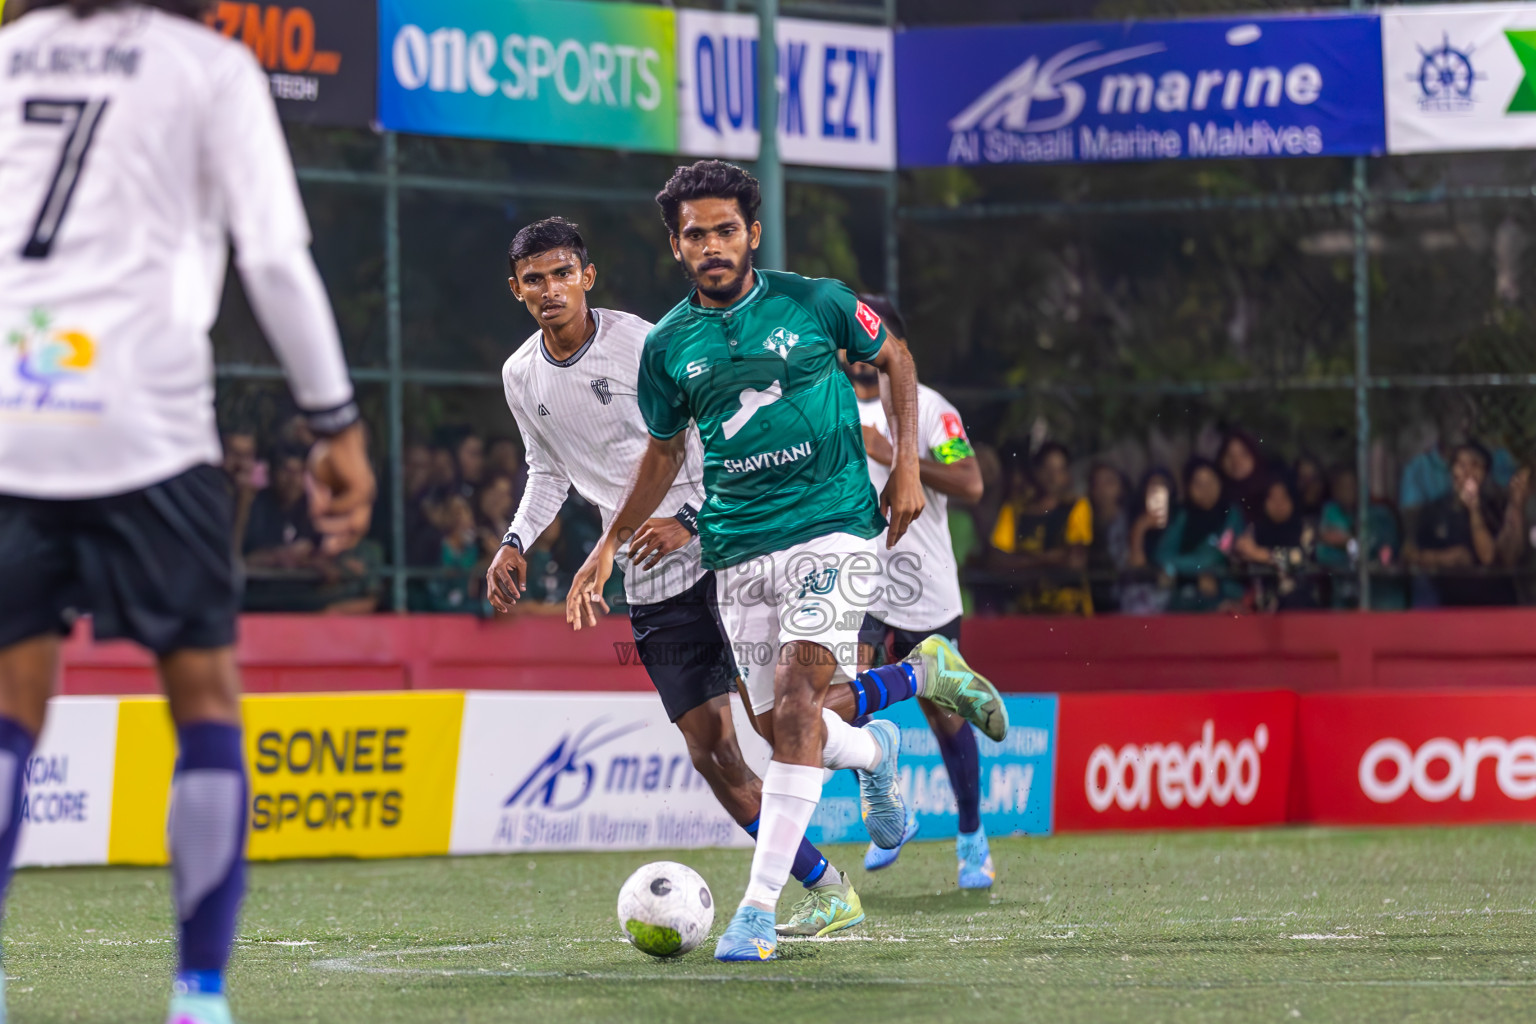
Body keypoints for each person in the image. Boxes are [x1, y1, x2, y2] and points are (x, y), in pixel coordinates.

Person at [0, 2, 376, 1022]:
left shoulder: (9, 54)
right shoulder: (208, 67)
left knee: (7, 712)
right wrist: (333, 421)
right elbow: (272, 260)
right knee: (204, 699)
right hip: (145, 426)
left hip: (11, 419)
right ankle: (198, 993)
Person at [560, 163, 1007, 963]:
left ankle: (759, 912)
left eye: (725, 229)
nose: (712, 245)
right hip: (737, 547)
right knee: (779, 728)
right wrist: (604, 547)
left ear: (752, 234)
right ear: (676, 245)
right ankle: (900, 707)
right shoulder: (667, 347)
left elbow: (897, 356)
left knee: (799, 702)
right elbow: (663, 455)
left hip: (834, 527)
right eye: (695, 234)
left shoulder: (815, 300)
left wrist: (906, 463)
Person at [844, 295, 995, 892]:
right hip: (861, 587)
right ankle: (892, 815)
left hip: (927, 590)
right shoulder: (833, 408)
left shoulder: (932, 412)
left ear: (892, 348)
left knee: (945, 718)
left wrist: (897, 456)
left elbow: (972, 482)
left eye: (865, 342)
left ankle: (972, 836)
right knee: (850, 700)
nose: (853, 354)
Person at [1403, 442, 1526, 607]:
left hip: (1495, 606)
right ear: (1452, 471)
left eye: (1475, 465)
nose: (1468, 472)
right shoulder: (1434, 510)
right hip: (1450, 608)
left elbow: (1489, 557)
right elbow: (1408, 552)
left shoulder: (1496, 508)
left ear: (1485, 474)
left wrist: (1474, 509)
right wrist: (1443, 558)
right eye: (1461, 465)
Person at [988, 442, 1093, 615]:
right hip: (1025, 612)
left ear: (1067, 475)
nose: (1052, 477)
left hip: (1070, 613)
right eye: (1047, 469)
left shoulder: (1077, 506)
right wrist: (1051, 558)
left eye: (1059, 470)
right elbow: (995, 561)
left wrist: (1020, 561)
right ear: (1035, 472)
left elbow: (1075, 561)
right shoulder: (1014, 509)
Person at [1156, 459, 1244, 613]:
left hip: (1226, 588)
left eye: (1210, 482)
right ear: (1188, 488)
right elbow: (1162, 555)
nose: (1206, 489)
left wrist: (1174, 568)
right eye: (1198, 484)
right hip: (1187, 592)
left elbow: (1215, 556)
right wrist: (1196, 575)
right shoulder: (1183, 516)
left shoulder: (1231, 515)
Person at [1317, 465, 1403, 610]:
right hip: (1343, 599)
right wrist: (1355, 546)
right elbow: (1324, 555)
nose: (1346, 491)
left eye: (1351, 485)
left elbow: (1385, 554)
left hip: (1382, 598)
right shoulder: (1330, 512)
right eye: (1341, 486)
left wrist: (1347, 543)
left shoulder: (1381, 515)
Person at [1234, 476, 1319, 611]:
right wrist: (1238, 550)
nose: (1278, 504)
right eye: (1272, 499)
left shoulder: (1305, 529)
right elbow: (1238, 558)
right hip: (1261, 609)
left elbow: (1298, 559)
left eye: (1283, 498)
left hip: (1300, 607)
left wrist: (1260, 554)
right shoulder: (1254, 530)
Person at [1122, 467, 1176, 615]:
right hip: (1137, 595)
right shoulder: (1126, 520)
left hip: (1174, 593)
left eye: (1162, 485)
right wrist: (1140, 528)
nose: (1157, 491)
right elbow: (1136, 564)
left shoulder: (1179, 520)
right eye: (1152, 486)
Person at [1086, 462, 1132, 614]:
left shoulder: (1131, 522)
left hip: (1125, 602)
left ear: (1121, 488)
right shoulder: (1082, 523)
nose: (1102, 489)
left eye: (1109, 482)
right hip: (1091, 602)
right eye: (1096, 484)